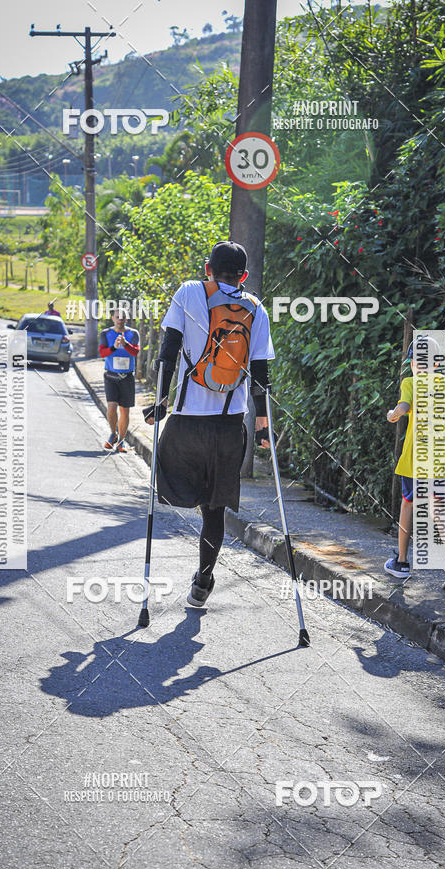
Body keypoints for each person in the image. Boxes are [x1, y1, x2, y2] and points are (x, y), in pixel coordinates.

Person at [144, 240, 274, 607]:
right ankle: (203, 582)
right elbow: (262, 373)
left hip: (186, 424)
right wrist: (262, 425)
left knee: (177, 488)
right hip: (229, 425)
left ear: (207, 269)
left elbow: (168, 350)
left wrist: (160, 399)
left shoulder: (189, 292)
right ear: (244, 276)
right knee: (214, 511)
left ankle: (193, 501)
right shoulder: (256, 308)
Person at [384, 336, 445, 589]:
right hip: (441, 461)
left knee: (408, 505)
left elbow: (404, 405)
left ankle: (400, 562)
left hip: (414, 461)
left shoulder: (411, 382)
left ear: (412, 363)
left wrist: (393, 414)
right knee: (438, 506)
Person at [99, 309, 140, 452]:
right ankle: (113, 433)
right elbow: (102, 353)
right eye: (117, 317)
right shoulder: (105, 333)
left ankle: (121, 441)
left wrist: (126, 343)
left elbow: (135, 352)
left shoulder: (133, 334)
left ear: (127, 319)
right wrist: (114, 347)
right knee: (111, 407)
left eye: (123, 318)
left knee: (125, 410)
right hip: (111, 376)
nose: (120, 320)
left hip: (127, 377)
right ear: (112, 318)